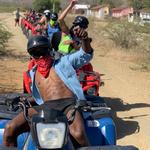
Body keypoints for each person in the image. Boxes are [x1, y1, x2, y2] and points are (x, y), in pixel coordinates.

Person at [3, 26, 94, 147]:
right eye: (36, 53)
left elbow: (86, 54)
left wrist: (85, 39)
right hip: (46, 107)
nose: (40, 56)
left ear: (49, 51)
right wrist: (23, 100)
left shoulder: (64, 62)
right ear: (32, 55)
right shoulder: (33, 73)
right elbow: (41, 96)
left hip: (69, 105)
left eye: (43, 51)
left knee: (78, 134)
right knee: (9, 128)